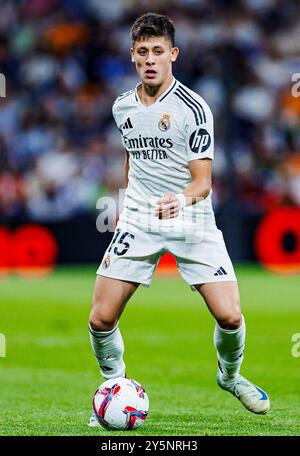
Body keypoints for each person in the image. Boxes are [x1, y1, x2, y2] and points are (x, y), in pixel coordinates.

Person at [88, 12, 270, 426]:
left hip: (191, 217)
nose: (150, 59)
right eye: (142, 52)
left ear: (173, 54)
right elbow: (131, 158)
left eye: (158, 52)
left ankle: (231, 377)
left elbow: (203, 182)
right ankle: (113, 388)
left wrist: (180, 200)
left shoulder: (193, 108)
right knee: (100, 318)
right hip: (140, 218)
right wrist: (130, 205)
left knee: (230, 315)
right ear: (132, 56)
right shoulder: (122, 106)